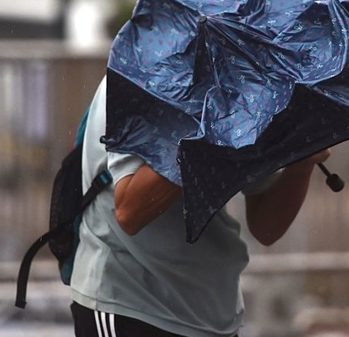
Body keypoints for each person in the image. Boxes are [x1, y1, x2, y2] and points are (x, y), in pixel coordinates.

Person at [70, 75, 330, 337]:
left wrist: (301, 165)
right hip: (130, 303)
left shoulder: (237, 77)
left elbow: (266, 229)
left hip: (214, 313)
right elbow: (130, 212)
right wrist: (212, 128)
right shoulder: (138, 72)